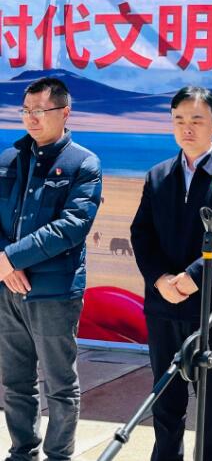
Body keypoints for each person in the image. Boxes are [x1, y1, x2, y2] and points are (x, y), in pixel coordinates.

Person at [130, 87, 212, 461]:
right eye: (179, 120)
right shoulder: (158, 175)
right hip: (163, 305)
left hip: (211, 309)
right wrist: (160, 280)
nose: (187, 128)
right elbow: (141, 234)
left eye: (196, 120)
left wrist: (194, 276)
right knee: (165, 400)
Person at [0, 77, 102, 461]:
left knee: (59, 384)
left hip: (54, 293)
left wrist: (11, 258)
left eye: (40, 111)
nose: (32, 118)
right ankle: (22, 452)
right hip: (7, 287)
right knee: (15, 382)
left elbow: (70, 228)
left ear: (65, 112)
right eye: (26, 110)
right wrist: (4, 263)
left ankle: (59, 455)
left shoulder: (83, 163)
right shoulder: (8, 159)